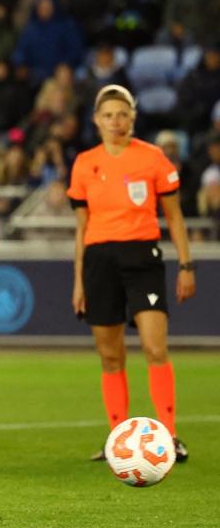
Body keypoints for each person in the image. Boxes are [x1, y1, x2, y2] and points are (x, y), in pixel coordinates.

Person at [68, 85, 196, 462]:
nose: (115, 122)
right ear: (96, 120)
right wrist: (78, 280)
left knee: (155, 347)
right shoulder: (84, 164)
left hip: (143, 257)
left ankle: (169, 437)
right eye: (108, 115)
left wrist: (186, 265)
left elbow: (174, 216)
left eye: (122, 114)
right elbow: (81, 227)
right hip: (98, 260)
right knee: (110, 356)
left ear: (133, 118)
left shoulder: (153, 159)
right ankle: (117, 440)